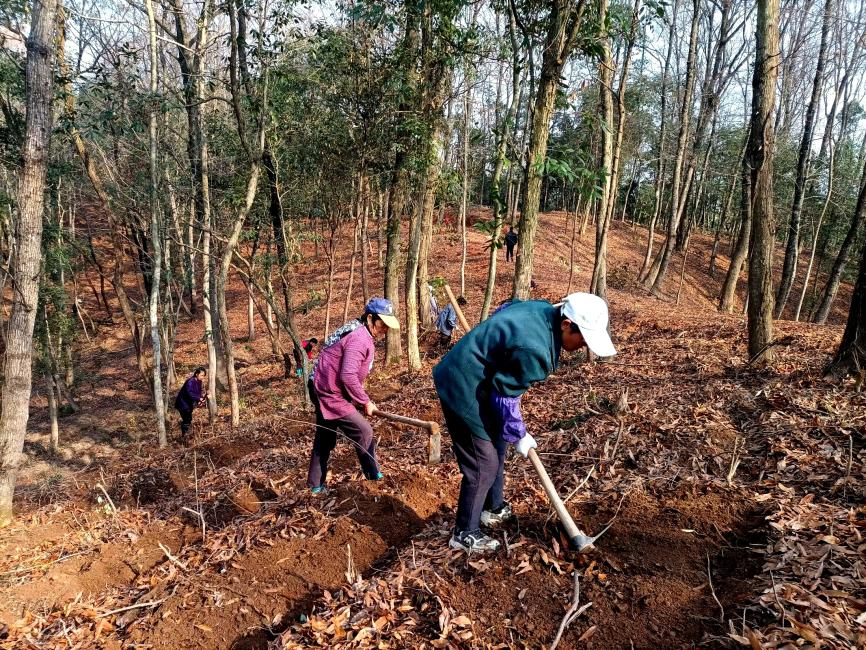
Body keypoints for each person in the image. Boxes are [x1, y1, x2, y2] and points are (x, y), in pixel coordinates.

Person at [432, 292, 616, 552]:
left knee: (498, 444)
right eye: (583, 339)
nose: (584, 346)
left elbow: (508, 308)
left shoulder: (543, 310)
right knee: (483, 463)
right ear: (566, 325)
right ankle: (465, 533)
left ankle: (492, 508)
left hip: (482, 378)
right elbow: (505, 396)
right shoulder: (536, 350)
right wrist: (519, 433)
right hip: (463, 385)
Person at [306, 298, 400, 495]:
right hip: (328, 391)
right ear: (370, 318)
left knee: (325, 436)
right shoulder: (359, 337)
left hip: (323, 385)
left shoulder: (360, 331)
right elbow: (348, 375)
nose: (385, 329)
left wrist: (357, 398)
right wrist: (364, 401)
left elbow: (350, 373)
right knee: (363, 430)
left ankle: (315, 486)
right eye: (382, 324)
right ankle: (373, 477)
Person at [174, 367, 207, 441]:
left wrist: (200, 399)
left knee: (188, 419)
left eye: (204, 375)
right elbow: (190, 393)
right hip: (182, 404)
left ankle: (185, 436)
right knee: (187, 419)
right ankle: (184, 436)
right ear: (196, 374)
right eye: (201, 375)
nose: (203, 377)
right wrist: (199, 399)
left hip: (189, 404)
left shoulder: (199, 382)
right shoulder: (190, 382)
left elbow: (198, 393)